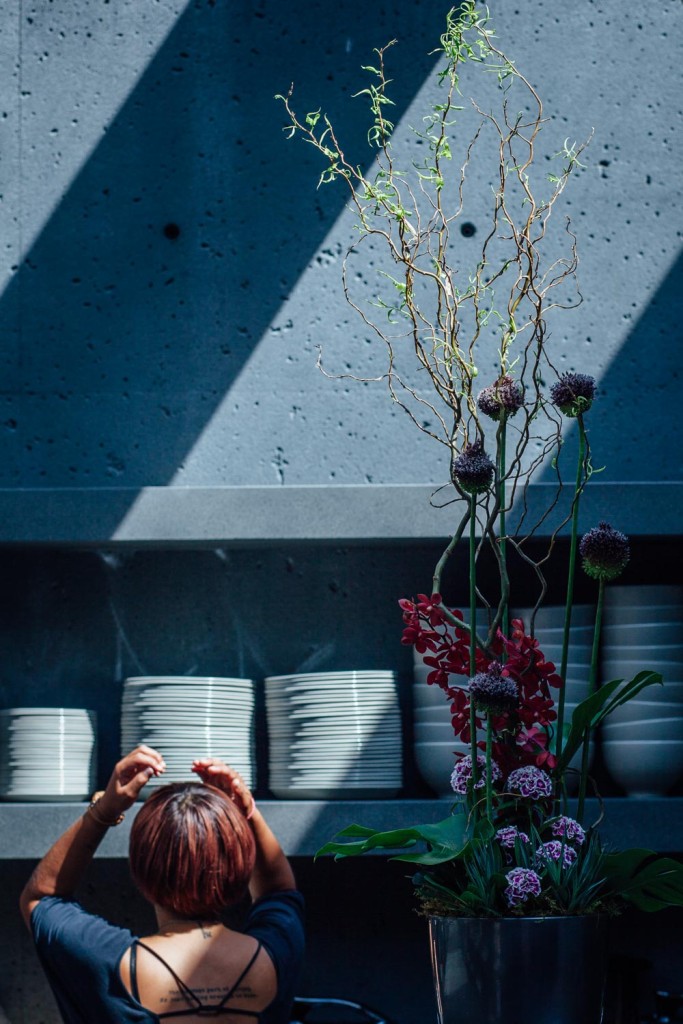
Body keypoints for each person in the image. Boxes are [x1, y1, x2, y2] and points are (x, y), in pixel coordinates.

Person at [19, 746, 304, 1023]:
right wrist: (246, 811)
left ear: (141, 869)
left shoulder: (102, 958)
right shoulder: (276, 954)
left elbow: (41, 898)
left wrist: (104, 811)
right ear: (241, 867)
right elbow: (278, 890)